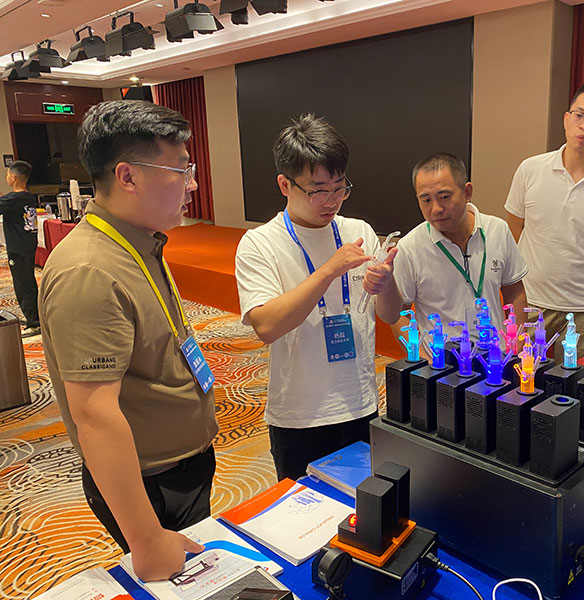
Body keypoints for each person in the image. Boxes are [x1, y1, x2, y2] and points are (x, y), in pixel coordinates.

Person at [39, 101, 218, 581]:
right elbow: (95, 415)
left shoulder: (138, 241)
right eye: (182, 170)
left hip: (178, 466)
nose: (193, 185)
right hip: (151, 482)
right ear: (128, 176)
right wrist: (147, 539)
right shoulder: (89, 269)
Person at [235, 113, 402, 481]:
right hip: (299, 417)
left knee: (366, 507)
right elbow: (266, 326)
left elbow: (389, 315)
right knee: (303, 511)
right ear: (285, 185)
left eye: (340, 188)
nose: (332, 201)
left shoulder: (358, 231)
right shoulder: (260, 243)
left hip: (361, 405)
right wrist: (328, 271)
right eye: (318, 190)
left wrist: (386, 283)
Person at [505, 80, 584, 362]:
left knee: (575, 382)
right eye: (579, 115)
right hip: (531, 300)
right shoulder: (531, 169)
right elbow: (515, 229)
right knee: (522, 375)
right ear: (566, 119)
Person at [391, 153, 528, 347]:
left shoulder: (497, 230)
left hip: (496, 358)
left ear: (467, 192)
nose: (436, 209)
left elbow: (514, 291)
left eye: (444, 197)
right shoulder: (409, 248)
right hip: (441, 362)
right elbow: (399, 315)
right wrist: (421, 358)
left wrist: (517, 348)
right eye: (426, 200)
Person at [1, 160, 40, 337]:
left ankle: (34, 322)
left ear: (13, 177)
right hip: (27, 246)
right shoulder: (26, 197)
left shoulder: (13, 200)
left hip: (18, 248)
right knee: (28, 282)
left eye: (7, 174)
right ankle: (34, 317)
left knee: (23, 285)